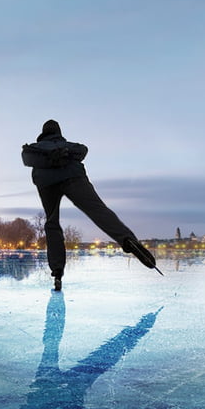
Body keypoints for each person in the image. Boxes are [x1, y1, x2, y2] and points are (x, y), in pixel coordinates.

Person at [22, 119, 160, 291]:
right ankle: (128, 240)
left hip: (46, 183)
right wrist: (63, 154)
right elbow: (83, 150)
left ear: (43, 132)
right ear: (58, 131)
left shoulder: (36, 148)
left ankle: (57, 271)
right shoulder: (69, 145)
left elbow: (25, 157)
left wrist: (49, 159)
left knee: (52, 222)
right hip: (74, 178)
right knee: (97, 210)